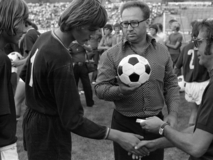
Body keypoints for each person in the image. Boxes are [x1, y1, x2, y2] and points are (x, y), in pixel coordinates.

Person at [19, 0, 149, 159]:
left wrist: (17, 101)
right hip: (49, 131)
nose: (94, 34)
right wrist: (118, 136)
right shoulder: (59, 56)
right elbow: (73, 120)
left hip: (34, 123)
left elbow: (24, 74)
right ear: (79, 22)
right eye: (92, 28)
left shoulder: (45, 37)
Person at [136, 18, 213, 160]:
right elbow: (200, 130)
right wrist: (155, 144)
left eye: (199, 42)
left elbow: (196, 146)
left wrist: (162, 128)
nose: (196, 48)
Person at [94, 1, 180, 160]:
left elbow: (171, 84)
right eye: (125, 23)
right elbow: (100, 89)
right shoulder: (111, 55)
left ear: (147, 23)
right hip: (124, 124)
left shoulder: (162, 51)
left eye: (134, 22)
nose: (128, 27)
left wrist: (173, 113)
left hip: (156, 122)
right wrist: (121, 91)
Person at [0, 0, 29, 159]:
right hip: (2, 145)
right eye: (22, 21)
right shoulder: (0, 59)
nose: (25, 28)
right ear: (7, 19)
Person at [175, 20, 209, 126]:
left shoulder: (186, 48)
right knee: (205, 115)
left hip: (189, 84)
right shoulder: (204, 47)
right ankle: (199, 137)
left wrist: (175, 81)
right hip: (203, 82)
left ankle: (191, 135)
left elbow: (177, 66)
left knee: (194, 113)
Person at [69, 41, 94, 107]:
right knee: (74, 86)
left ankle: (90, 103)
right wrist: (68, 51)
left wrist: (82, 44)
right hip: (74, 66)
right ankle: (74, 103)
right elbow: (66, 52)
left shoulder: (83, 42)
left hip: (83, 65)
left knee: (87, 85)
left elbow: (90, 49)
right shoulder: (70, 43)